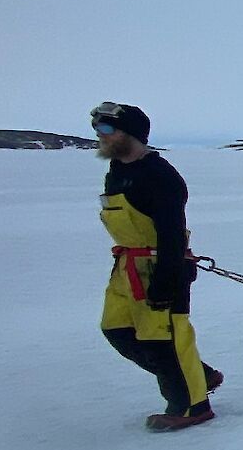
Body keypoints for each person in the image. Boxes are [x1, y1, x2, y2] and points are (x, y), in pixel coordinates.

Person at [92, 102, 222, 431]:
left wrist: (166, 281)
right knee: (117, 331)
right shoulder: (118, 171)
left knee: (162, 339)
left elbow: (171, 234)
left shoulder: (160, 175)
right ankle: (198, 375)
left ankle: (192, 406)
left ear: (130, 134)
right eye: (98, 130)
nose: (100, 136)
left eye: (107, 130)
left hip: (160, 266)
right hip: (126, 267)